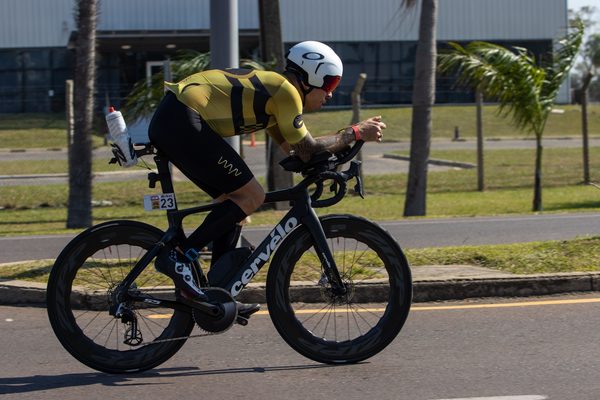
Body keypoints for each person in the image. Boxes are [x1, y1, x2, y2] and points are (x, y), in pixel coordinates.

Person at [148, 41, 386, 321]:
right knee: (252, 197)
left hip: (176, 118)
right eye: (330, 83)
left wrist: (334, 161)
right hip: (182, 118)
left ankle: (218, 292)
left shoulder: (276, 100)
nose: (331, 94)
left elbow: (300, 154)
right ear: (311, 76)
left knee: (233, 205)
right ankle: (178, 255)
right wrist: (355, 133)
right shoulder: (286, 92)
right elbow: (309, 148)